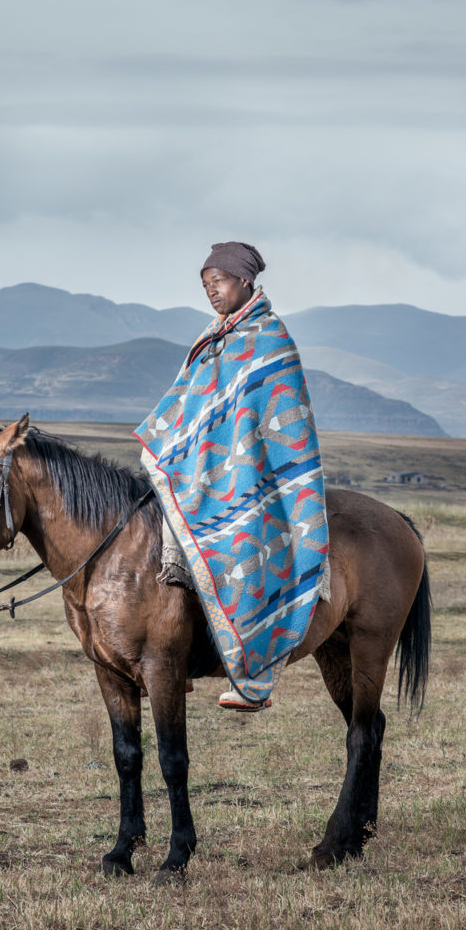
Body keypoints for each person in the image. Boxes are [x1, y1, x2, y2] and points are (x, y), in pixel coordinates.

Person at [134, 242, 329, 710]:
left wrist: (238, 468)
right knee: (168, 538)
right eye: (205, 286)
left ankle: (256, 672)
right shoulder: (214, 335)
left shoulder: (269, 339)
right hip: (204, 467)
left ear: (244, 280)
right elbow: (194, 403)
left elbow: (273, 416)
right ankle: (175, 658)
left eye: (217, 282)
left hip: (257, 474)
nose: (211, 292)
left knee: (241, 546)